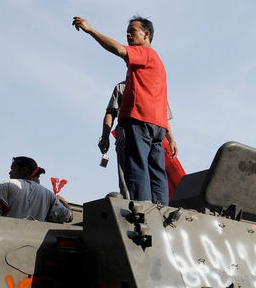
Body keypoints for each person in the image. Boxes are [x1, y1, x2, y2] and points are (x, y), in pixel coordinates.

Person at [73, 15, 178, 204]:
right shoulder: (158, 65)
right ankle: (162, 211)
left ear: (146, 35)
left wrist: (91, 31)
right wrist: (170, 137)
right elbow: (163, 105)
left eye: (133, 31)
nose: (128, 34)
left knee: (137, 169)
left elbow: (118, 49)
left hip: (139, 121)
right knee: (157, 173)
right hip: (158, 127)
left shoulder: (144, 53)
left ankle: (142, 213)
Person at [100, 81, 175, 199]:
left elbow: (111, 112)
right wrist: (171, 140)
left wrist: (105, 137)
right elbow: (163, 118)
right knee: (153, 172)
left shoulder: (123, 87)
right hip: (151, 132)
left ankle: (134, 203)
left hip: (130, 132)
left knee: (130, 173)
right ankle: (156, 205)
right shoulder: (156, 87)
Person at [0, 157, 72, 223]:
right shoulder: (49, 195)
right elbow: (68, 217)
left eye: (12, 168)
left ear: (24, 170)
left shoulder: (7, 184)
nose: (10, 172)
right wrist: (65, 203)